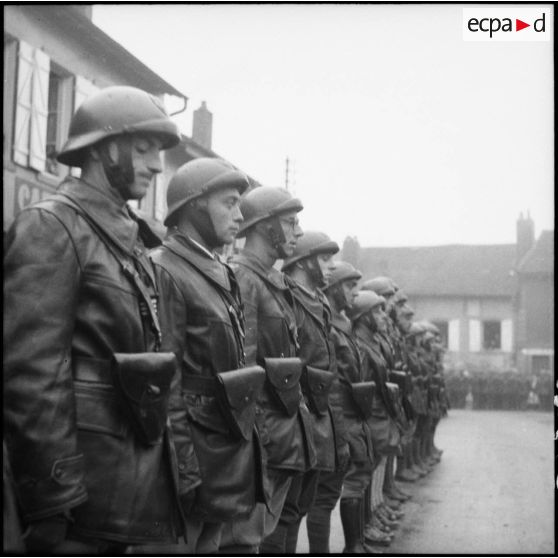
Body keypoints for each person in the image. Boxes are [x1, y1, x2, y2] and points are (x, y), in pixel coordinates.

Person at [4, 86, 191, 553]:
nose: (155, 167)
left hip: (129, 487)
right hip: (81, 503)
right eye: (145, 150)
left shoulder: (132, 242)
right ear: (107, 148)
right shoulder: (52, 226)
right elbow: (32, 375)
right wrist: (53, 497)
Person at [149, 158, 266, 553]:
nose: (239, 215)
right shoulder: (165, 269)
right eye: (229, 203)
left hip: (220, 452)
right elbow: (166, 383)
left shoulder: (215, 270)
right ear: (195, 205)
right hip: (193, 458)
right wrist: (183, 467)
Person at [220, 186, 315, 554]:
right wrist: (253, 439)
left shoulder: (271, 280)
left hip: (280, 430)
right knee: (243, 538)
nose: (298, 232)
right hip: (261, 436)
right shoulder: (244, 277)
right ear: (263, 227)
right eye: (290, 222)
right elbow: (242, 367)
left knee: (263, 532)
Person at [275, 231, 350, 554]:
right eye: (324, 258)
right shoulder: (286, 297)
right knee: (283, 512)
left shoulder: (317, 302)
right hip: (292, 416)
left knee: (298, 507)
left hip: (315, 418)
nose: (331, 266)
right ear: (304, 262)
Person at [323, 262, 375, 553]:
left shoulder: (344, 326)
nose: (354, 293)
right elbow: (333, 383)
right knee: (339, 488)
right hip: (342, 415)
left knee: (358, 475)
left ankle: (356, 543)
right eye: (348, 286)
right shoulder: (329, 326)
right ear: (332, 287)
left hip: (354, 414)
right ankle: (351, 546)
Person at [348, 291, 403, 548]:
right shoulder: (360, 344)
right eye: (378, 311)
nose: (384, 315)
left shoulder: (372, 341)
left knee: (374, 469)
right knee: (363, 476)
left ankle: (371, 517)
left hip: (380, 414)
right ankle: (365, 527)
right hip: (371, 416)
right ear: (364, 316)